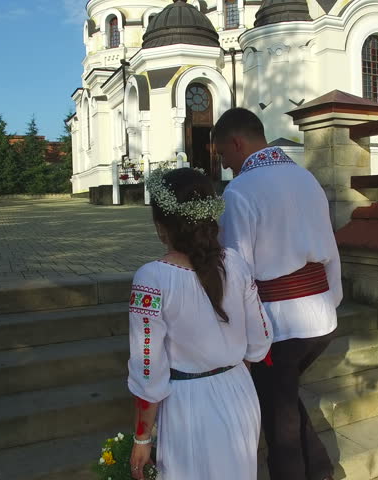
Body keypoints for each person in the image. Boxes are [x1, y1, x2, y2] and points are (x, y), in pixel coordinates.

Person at [212, 108, 343, 480]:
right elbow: (331, 247)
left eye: (223, 155)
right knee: (282, 400)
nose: (226, 164)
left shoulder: (240, 190)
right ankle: (320, 471)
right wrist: (331, 299)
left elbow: (238, 268)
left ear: (237, 143)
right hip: (321, 317)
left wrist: (237, 328)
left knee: (278, 422)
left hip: (278, 325)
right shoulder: (306, 179)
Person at [126, 167, 273, 480]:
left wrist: (142, 438)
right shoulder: (236, 262)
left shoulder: (151, 279)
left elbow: (148, 369)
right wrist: (231, 364)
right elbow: (260, 338)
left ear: (160, 225)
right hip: (239, 391)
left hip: (188, 406)